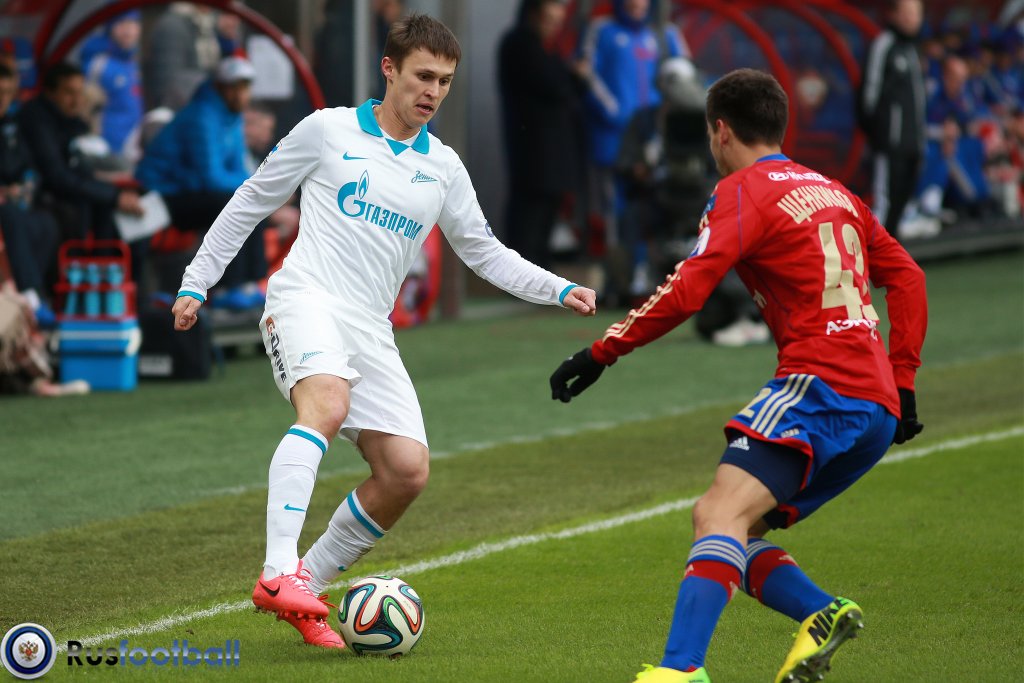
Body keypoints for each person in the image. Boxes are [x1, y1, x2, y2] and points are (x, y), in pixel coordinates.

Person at [171, 14, 596, 649]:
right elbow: (251, 200)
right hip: (305, 298)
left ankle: (304, 587)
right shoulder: (327, 130)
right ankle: (277, 570)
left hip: (370, 327)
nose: (433, 91)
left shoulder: (443, 167)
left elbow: (482, 251)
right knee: (327, 404)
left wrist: (558, 288)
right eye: (423, 76)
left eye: (445, 81)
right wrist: (196, 281)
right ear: (389, 70)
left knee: (405, 471)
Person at [549, 68, 927, 683]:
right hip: (876, 408)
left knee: (715, 514)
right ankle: (821, 614)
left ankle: (681, 670)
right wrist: (903, 381)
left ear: (720, 131)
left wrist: (602, 352)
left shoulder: (743, 191)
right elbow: (907, 276)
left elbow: (687, 289)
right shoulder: (835, 191)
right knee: (736, 530)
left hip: (819, 387)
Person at [136, 56, 266, 309]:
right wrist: (253, 184)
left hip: (192, 189)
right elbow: (212, 177)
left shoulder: (233, 116)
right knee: (233, 203)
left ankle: (250, 282)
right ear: (220, 87)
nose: (242, 94)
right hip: (161, 194)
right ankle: (227, 287)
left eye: (245, 87)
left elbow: (238, 168)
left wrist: (256, 187)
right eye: (235, 87)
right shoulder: (201, 116)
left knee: (254, 201)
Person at [498, 0, 583, 269]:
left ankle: (541, 274)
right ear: (534, 13)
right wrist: (575, 77)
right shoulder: (521, 45)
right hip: (533, 151)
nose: (554, 26)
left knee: (545, 218)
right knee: (529, 218)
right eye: (550, 19)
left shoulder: (545, 48)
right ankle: (523, 276)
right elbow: (555, 86)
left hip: (550, 154)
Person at [18, 63, 143, 243]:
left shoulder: (73, 122)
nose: (77, 101)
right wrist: (113, 196)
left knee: (128, 205)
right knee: (99, 204)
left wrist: (111, 188)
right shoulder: (37, 120)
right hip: (43, 198)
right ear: (50, 93)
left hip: (73, 193)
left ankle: (110, 260)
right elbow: (57, 175)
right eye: (69, 93)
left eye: (80, 93)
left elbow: (87, 162)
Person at [857, 0, 927, 240]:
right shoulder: (883, 45)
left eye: (916, 13)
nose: (912, 19)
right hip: (889, 145)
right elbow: (869, 95)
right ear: (894, 14)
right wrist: (880, 135)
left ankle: (892, 259)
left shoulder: (912, 50)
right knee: (884, 205)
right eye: (906, 13)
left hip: (912, 144)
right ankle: (871, 257)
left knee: (900, 205)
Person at [0, 63, 60, 327]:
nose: (3, 99)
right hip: (4, 208)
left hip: (13, 201)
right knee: (10, 216)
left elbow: (28, 166)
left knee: (46, 222)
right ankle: (30, 296)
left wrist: (23, 186)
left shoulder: (12, 127)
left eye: (8, 93)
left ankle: (37, 293)